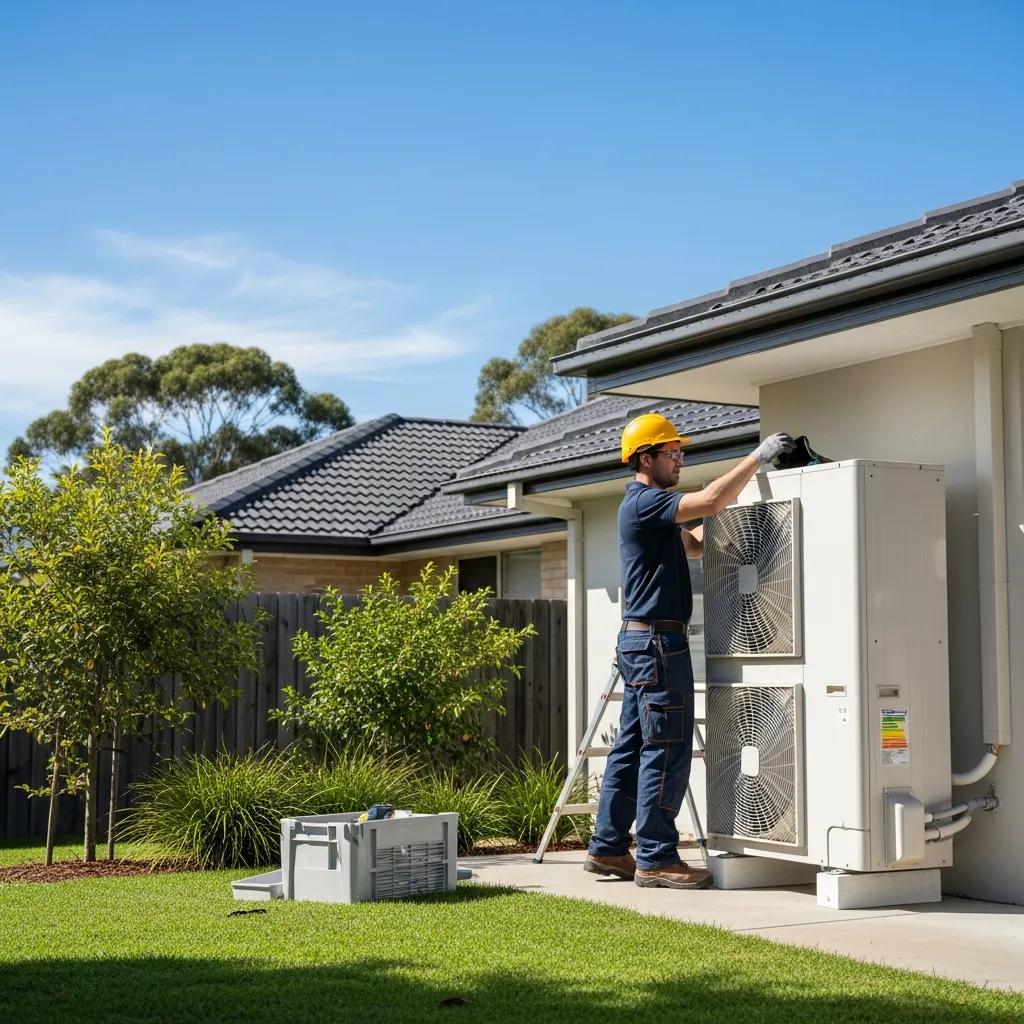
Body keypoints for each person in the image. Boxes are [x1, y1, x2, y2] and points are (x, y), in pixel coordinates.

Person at [584, 414, 795, 889]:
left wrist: (755, 530)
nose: (681, 460)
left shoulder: (647, 511)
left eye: (682, 453)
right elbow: (709, 500)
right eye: (672, 453)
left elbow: (696, 544)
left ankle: (609, 850)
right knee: (666, 747)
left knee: (633, 747)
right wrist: (756, 460)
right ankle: (656, 857)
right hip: (659, 645)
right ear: (646, 458)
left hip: (642, 642)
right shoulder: (646, 502)